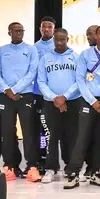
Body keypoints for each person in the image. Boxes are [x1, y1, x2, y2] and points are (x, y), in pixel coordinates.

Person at [63, 25, 100, 189]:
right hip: (88, 100)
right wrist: (93, 101)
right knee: (82, 137)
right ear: (95, 36)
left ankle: (95, 172)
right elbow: (80, 80)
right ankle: (73, 173)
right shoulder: (85, 54)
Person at [0, 22, 40, 182]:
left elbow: (32, 72)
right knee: (7, 132)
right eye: (15, 30)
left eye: (21, 30)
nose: (19, 33)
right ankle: (10, 166)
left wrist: (16, 89)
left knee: (29, 132)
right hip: (6, 96)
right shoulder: (1, 51)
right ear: (9, 32)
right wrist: (7, 90)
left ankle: (32, 166)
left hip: (25, 95)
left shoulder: (31, 50)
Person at [37, 28, 80, 184]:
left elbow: (79, 80)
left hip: (72, 102)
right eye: (57, 39)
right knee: (51, 136)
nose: (60, 42)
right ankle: (50, 168)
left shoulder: (76, 57)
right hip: (51, 103)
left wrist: (65, 97)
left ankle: (71, 167)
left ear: (68, 39)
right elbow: (41, 81)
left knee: (72, 136)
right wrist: (54, 98)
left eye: (63, 39)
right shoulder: (45, 58)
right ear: (53, 40)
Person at [32, 16, 56, 171]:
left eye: (49, 27)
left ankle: (52, 158)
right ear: (40, 28)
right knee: (38, 128)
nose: (46, 29)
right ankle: (40, 159)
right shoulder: (34, 48)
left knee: (52, 129)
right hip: (37, 94)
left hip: (55, 96)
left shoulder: (59, 46)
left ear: (54, 29)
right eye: (44, 27)